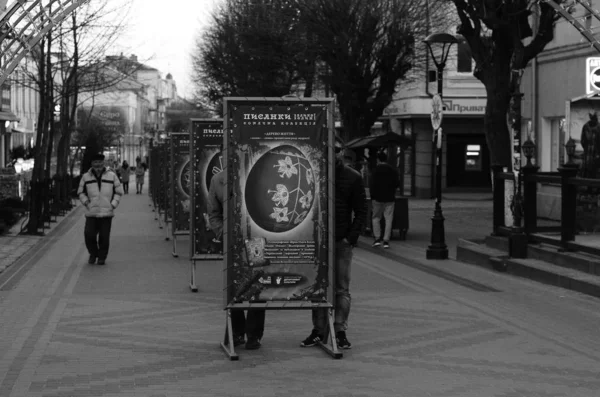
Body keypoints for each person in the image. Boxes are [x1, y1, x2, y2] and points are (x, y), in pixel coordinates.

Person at [300, 136, 367, 350]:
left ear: (341, 152)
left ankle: (339, 331)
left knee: (341, 288)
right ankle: (319, 330)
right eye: (328, 149)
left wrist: (350, 237)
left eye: (336, 149)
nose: (332, 153)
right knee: (318, 286)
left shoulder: (352, 177)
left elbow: (362, 211)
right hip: (318, 241)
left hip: (341, 240)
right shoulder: (312, 174)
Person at [208, 169, 266, 350]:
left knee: (257, 284)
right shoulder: (218, 180)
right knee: (234, 285)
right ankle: (237, 332)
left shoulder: (254, 171)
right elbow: (214, 213)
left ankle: (254, 334)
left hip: (255, 238)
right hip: (232, 240)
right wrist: (223, 233)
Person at [77, 153, 123, 265]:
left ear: (103, 163)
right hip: (91, 212)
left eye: (100, 162)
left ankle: (101, 257)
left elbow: (118, 191)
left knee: (104, 237)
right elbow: (80, 192)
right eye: (95, 162)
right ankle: (93, 253)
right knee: (89, 235)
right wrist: (87, 203)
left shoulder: (111, 175)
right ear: (92, 163)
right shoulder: (86, 177)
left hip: (106, 212)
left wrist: (113, 204)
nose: (98, 164)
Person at [370, 151, 399, 249]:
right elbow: (397, 184)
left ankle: (377, 239)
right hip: (389, 198)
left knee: (376, 218)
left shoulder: (375, 170)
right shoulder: (392, 170)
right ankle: (386, 241)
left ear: (378, 159)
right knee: (388, 218)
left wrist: (372, 197)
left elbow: (372, 185)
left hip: (377, 198)